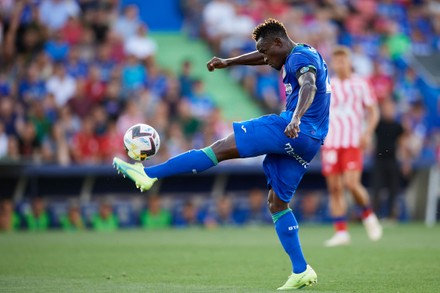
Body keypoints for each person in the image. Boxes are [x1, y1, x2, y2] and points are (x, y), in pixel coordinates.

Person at [113, 18, 330, 290]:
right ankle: (301, 270)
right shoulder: (295, 53)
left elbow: (308, 84)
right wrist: (229, 62)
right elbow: (266, 59)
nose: (264, 58)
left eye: (265, 51)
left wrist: (296, 118)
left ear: (278, 42)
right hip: (310, 141)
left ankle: (147, 173)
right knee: (276, 203)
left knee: (219, 149)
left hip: (293, 126)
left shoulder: (300, 58)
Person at [321, 46, 382, 247]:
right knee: (335, 188)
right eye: (336, 61)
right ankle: (341, 232)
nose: (339, 64)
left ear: (349, 62)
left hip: (352, 141)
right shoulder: (328, 84)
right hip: (331, 142)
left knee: (351, 183)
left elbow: (373, 111)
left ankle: (368, 214)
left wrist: (368, 132)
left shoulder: (360, 84)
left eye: (342, 60)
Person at [372, 99, 408, 220]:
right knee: (376, 188)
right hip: (379, 160)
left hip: (392, 160)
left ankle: (391, 216)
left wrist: (405, 162)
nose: (389, 111)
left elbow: (402, 144)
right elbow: (371, 139)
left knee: (393, 188)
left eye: (391, 109)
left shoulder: (398, 126)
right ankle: (374, 215)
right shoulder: (378, 124)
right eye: (386, 109)